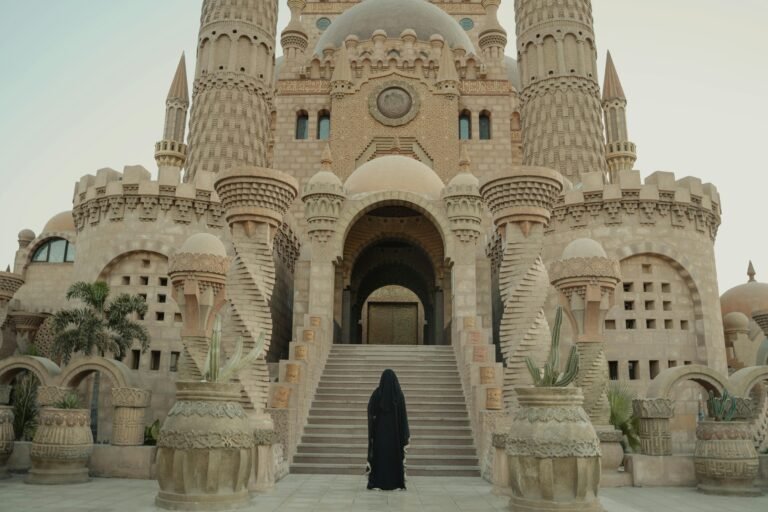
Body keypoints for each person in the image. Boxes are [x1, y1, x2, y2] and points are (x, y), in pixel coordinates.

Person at [366, 368, 410, 490]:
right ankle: (396, 483)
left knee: (380, 458)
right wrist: (403, 434)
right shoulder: (398, 395)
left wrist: (375, 420)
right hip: (395, 437)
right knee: (393, 458)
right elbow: (403, 417)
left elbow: (370, 409)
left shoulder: (377, 393)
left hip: (380, 435)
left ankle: (378, 482)